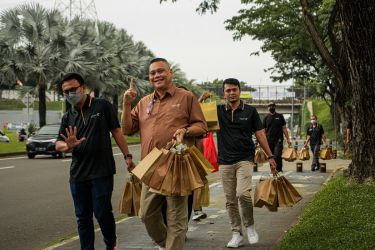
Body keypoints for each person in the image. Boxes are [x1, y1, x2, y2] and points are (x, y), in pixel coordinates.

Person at [121, 58, 207, 250]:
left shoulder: (186, 97)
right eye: (152, 73)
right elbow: (127, 129)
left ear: (170, 73)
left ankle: (172, 246)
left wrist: (185, 131)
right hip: (149, 167)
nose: (156, 75)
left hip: (176, 165)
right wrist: (126, 104)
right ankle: (168, 245)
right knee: (146, 214)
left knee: (176, 218)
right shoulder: (144, 102)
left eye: (161, 71)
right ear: (149, 78)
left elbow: (201, 126)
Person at [55, 73, 134, 250]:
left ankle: (110, 242)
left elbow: (116, 132)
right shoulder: (68, 116)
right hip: (78, 174)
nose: (69, 94)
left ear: (83, 88)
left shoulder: (102, 106)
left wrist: (127, 156)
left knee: (102, 212)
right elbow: (58, 143)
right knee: (82, 217)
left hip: (101, 171)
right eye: (65, 92)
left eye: (72, 90)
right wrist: (68, 146)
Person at [217, 78, 276, 248]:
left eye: (234, 89)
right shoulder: (218, 110)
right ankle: (236, 233)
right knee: (230, 200)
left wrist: (271, 156)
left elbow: (260, 135)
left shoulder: (250, 111)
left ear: (239, 91)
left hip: (245, 159)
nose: (231, 93)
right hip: (225, 161)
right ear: (224, 93)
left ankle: (249, 226)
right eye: (228, 90)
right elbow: (197, 117)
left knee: (242, 193)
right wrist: (200, 101)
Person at [263, 102, 291, 172]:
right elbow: (263, 131)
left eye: (272, 106)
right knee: (271, 156)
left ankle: (278, 170)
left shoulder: (280, 116)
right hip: (269, 141)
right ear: (267, 108)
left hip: (278, 140)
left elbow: (284, 128)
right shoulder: (266, 118)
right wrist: (261, 142)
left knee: (277, 155)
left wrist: (288, 139)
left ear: (275, 107)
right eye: (269, 106)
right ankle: (273, 170)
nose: (271, 107)